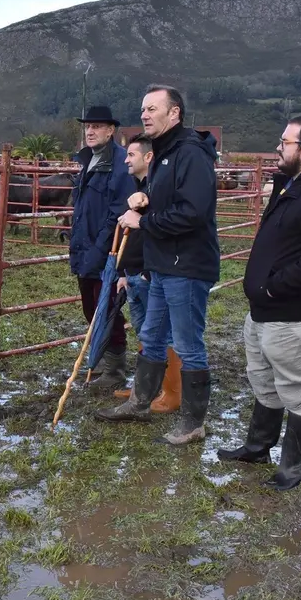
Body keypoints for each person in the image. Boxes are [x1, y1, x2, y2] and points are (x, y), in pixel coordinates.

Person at [218, 115, 301, 490]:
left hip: (297, 313)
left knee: (298, 386)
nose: (279, 148)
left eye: (285, 142)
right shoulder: (294, 183)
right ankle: (258, 447)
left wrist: (274, 288)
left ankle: (292, 468)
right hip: (266, 310)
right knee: (263, 380)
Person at [96, 85, 220, 447]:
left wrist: (144, 222)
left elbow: (194, 212)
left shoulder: (191, 154)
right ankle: (139, 402)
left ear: (175, 113)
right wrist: (145, 197)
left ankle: (193, 422)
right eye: (143, 109)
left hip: (187, 265)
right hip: (163, 263)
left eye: (153, 109)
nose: (145, 115)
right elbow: (173, 201)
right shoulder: (165, 154)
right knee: (151, 336)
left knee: (187, 343)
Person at [68, 106, 136, 394]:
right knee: (90, 307)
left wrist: (101, 250)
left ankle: (114, 369)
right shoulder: (91, 161)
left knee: (107, 308)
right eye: (87, 127)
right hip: (86, 247)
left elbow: (116, 214)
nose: (90, 131)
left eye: (97, 126)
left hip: (107, 251)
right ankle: (100, 359)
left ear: (111, 130)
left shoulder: (120, 164)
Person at [112, 134, 180, 412]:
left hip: (150, 273)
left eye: (131, 155)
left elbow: (161, 232)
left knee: (163, 334)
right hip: (134, 272)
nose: (126, 159)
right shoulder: (137, 187)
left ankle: (172, 393)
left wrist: (153, 269)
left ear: (148, 157)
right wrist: (123, 272)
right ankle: (145, 386)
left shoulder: (160, 190)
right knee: (145, 332)